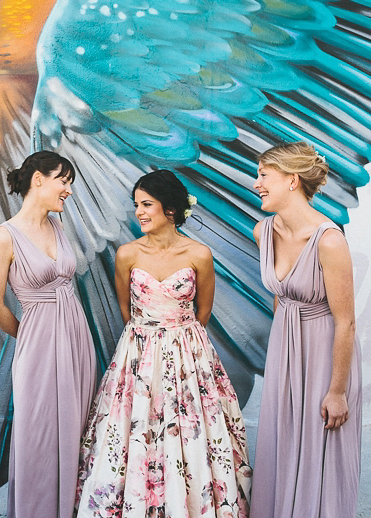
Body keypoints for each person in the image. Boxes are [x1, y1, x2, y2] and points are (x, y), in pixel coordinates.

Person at [76, 169, 252, 518]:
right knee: (134, 432)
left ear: (170, 210)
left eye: (146, 204)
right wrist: (150, 345)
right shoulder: (127, 254)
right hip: (138, 355)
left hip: (189, 356)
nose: (139, 212)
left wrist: (178, 344)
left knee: (191, 434)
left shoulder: (199, 254)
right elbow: (128, 312)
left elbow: (202, 312)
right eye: (136, 204)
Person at [249, 142, 362, 518]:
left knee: (320, 454)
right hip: (286, 351)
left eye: (264, 175)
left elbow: (345, 321)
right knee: (282, 448)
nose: (256, 184)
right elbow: (283, 300)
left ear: (292, 180)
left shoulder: (329, 241)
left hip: (324, 357)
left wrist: (337, 391)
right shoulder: (262, 232)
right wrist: (284, 353)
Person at [0, 150, 97, 518]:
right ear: (38, 180)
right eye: (63, 181)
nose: (68, 190)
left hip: (77, 343)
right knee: (39, 438)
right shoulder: (4, 238)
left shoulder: (56, 226)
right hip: (39, 347)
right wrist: (31, 336)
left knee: (76, 433)